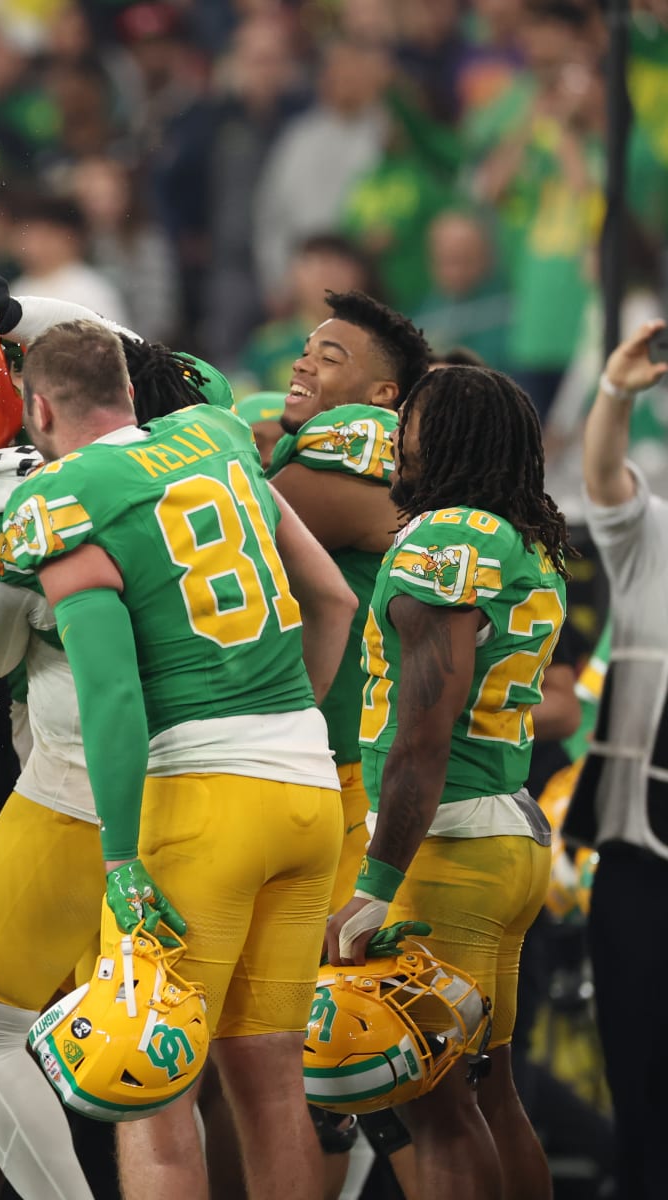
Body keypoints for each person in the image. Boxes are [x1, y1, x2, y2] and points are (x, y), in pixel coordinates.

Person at [0, 319, 355, 1199]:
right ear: (134, 393)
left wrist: (120, 855)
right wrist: (291, 735)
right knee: (271, 1085)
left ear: (37, 407)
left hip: (200, 807)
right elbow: (329, 597)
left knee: (150, 1089)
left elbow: (112, 694)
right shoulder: (214, 435)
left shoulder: (62, 497)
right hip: (307, 789)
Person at [330, 365, 572, 1200]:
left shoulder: (449, 541)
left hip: (450, 850)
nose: (399, 431)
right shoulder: (518, 537)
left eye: (417, 418)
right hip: (500, 837)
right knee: (488, 1096)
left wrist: (375, 885)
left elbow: (423, 733)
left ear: (458, 439)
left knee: (434, 1106)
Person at [264, 288, 433, 1186]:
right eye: (306, 347)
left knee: (330, 1064)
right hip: (325, 775)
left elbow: (211, 528)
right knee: (307, 1067)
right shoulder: (326, 451)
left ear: (380, 400)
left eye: (331, 357)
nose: (304, 362)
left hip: (337, 781)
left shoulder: (351, 453)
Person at [564, 319, 668, 1199]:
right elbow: (602, 477)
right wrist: (616, 393)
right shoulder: (652, 545)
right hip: (637, 865)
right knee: (638, 1089)